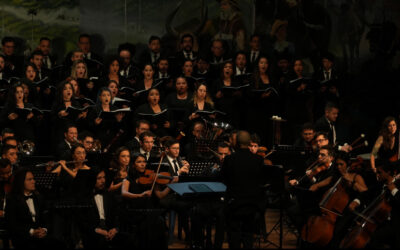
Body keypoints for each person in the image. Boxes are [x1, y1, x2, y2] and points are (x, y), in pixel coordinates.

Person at [220, 130, 264, 248]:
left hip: (234, 204)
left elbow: (223, 179)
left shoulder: (229, 159)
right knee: (248, 235)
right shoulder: (258, 160)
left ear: (236, 143)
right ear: (249, 142)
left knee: (234, 236)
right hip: (252, 204)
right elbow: (261, 181)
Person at [121, 153, 167, 248]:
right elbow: (124, 193)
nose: (143, 164)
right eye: (139, 162)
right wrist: (140, 195)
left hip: (149, 210)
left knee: (160, 221)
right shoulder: (128, 179)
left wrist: (171, 185)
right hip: (135, 211)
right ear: (133, 164)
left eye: (144, 162)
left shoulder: (151, 177)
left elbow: (160, 195)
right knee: (148, 224)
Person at [5, 169, 57, 249]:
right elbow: (12, 224)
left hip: (40, 236)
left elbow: (47, 219)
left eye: (33, 179)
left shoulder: (39, 198)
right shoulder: (12, 200)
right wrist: (32, 232)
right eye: (29, 179)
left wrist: (44, 229)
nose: (33, 181)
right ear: (21, 182)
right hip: (23, 237)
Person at [79, 169, 130, 249]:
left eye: (104, 177)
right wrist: (97, 230)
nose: (103, 181)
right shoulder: (85, 198)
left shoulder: (109, 195)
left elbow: (116, 214)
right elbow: (82, 220)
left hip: (109, 228)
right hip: (94, 230)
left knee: (126, 239)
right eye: (99, 178)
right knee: (98, 241)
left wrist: (115, 229)